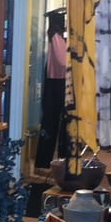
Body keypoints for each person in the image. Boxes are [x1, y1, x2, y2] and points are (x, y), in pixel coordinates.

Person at [35, 9, 69, 168]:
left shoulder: (58, 37)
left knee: (56, 122)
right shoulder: (56, 36)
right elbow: (63, 62)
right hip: (58, 82)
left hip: (58, 81)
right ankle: (52, 160)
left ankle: (58, 160)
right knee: (54, 122)